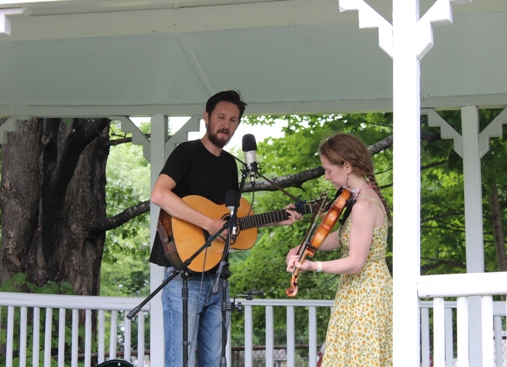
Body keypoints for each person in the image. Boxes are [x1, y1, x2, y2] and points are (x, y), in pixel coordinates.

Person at [150, 90, 302, 367]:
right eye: (221, 117)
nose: (227, 124)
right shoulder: (186, 152)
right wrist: (208, 224)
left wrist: (277, 218)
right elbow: (159, 195)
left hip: (218, 277)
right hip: (183, 274)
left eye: (233, 120)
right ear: (206, 117)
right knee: (179, 361)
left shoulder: (232, 164)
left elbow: (230, 223)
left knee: (214, 361)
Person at [286, 133, 393, 367]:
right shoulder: (357, 199)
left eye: (329, 170)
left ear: (347, 166)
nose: (326, 177)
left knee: (361, 359)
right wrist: (301, 247)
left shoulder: (363, 205)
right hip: (358, 290)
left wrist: (313, 265)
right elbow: (343, 239)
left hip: (367, 293)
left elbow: (355, 262)